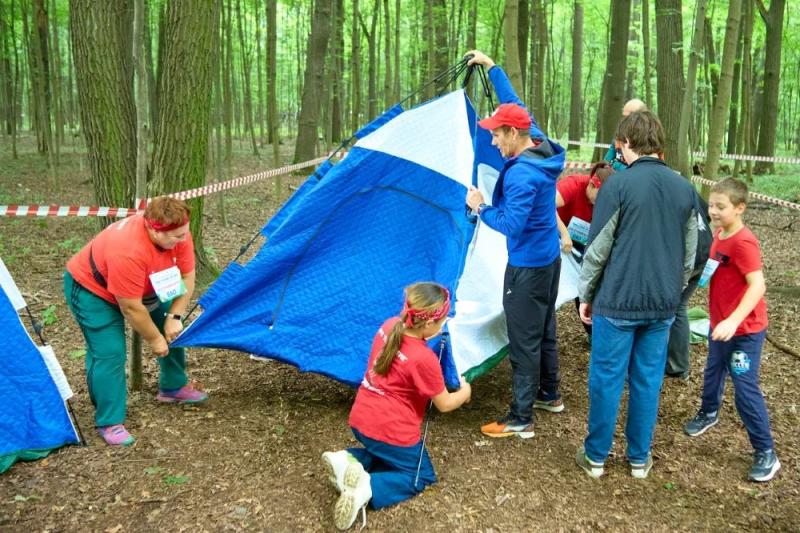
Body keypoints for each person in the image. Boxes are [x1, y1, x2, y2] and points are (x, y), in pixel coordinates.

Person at [576, 110, 699, 479]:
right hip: (661, 304)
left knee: (607, 377)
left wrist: (586, 293)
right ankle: (638, 459)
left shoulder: (617, 185)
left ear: (628, 144)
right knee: (648, 379)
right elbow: (691, 253)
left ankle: (596, 456)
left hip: (617, 302)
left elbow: (597, 248)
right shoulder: (685, 188)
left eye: (620, 145)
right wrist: (672, 290)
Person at [463, 50, 566, 438]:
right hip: (548, 260)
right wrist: (493, 69)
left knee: (524, 338)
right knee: (544, 327)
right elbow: (517, 106)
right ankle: (549, 393)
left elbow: (509, 223)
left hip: (527, 265)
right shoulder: (540, 144)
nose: (491, 139)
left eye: (495, 133)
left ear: (513, 134)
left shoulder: (524, 176)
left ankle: (520, 418)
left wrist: (479, 207)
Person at [321, 282, 471, 530]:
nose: (443, 324)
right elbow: (444, 404)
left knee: (389, 455)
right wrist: (465, 392)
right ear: (429, 324)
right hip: (391, 432)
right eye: (443, 320)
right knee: (421, 474)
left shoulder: (388, 326)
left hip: (361, 420)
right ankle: (366, 488)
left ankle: (348, 458)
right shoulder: (424, 359)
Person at [63, 197, 207, 447]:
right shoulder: (128, 250)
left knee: (172, 329)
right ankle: (109, 420)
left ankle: (173, 386)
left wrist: (174, 317)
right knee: (110, 353)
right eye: (176, 237)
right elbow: (130, 307)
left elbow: (187, 276)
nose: (183, 240)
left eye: (184, 234)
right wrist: (154, 339)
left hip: (149, 283)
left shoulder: (179, 230)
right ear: (153, 229)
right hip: (93, 291)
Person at [684, 178, 780, 483]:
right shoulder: (721, 233)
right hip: (720, 325)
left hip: (744, 331)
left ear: (740, 208)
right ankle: (709, 412)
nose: (712, 211)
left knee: (744, 388)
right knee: (713, 372)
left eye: (720, 207)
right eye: (711, 205)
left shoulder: (744, 242)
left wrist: (733, 321)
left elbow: (757, 285)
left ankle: (766, 452)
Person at [556, 161, 614, 338]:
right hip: (556, 235)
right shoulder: (573, 184)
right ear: (591, 185)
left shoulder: (605, 201)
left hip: (583, 243)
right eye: (601, 197)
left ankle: (594, 332)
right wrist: (564, 233)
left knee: (586, 283)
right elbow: (544, 205)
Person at [665, 190, 712, 380]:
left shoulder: (664, 191)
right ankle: (676, 362)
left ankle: (678, 365)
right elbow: (707, 214)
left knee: (676, 308)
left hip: (691, 257)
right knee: (679, 307)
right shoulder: (684, 186)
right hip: (706, 251)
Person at [603, 99, 648, 171]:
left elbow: (641, 172)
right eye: (623, 117)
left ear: (641, 118)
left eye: (627, 117)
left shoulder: (650, 140)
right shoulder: (619, 135)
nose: (623, 121)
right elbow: (606, 161)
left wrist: (616, 165)